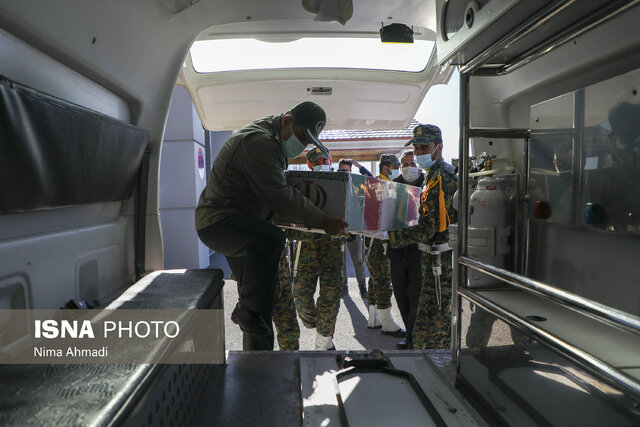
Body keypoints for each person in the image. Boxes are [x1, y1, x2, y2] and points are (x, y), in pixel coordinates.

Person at [195, 101, 348, 351]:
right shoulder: (259, 142)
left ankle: (256, 362)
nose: (301, 145)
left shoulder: (273, 140)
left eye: (307, 142)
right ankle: (248, 316)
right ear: (287, 121)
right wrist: (322, 219)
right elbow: (279, 196)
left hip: (238, 223)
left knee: (258, 306)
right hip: (221, 223)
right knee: (272, 240)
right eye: (300, 136)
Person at [388, 124, 456, 349]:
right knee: (424, 331)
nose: (418, 153)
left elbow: (430, 229)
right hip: (429, 262)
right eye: (416, 148)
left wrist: (392, 236)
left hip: (440, 267)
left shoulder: (442, 178)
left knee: (436, 330)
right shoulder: (431, 177)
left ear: (439, 147)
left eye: (424, 147)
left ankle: (442, 377)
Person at [290, 147, 345, 350]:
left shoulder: (342, 186)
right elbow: (290, 225)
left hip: (332, 254)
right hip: (307, 254)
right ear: (310, 165)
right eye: (317, 161)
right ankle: (320, 327)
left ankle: (323, 341)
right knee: (301, 298)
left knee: (329, 300)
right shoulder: (301, 187)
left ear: (330, 159)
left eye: (324, 159)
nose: (322, 162)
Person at [388, 150, 426, 349]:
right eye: (405, 163)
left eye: (412, 163)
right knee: (401, 295)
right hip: (396, 248)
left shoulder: (427, 184)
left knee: (415, 295)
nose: (409, 166)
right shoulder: (392, 186)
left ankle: (413, 339)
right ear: (400, 166)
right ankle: (410, 335)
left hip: (417, 250)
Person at [365, 154, 405, 337]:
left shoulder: (385, 184)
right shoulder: (378, 185)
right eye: (396, 165)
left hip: (377, 240)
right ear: (386, 167)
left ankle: (374, 317)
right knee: (382, 279)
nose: (398, 169)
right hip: (378, 241)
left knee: (375, 279)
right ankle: (387, 322)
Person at [336, 158, 369, 302]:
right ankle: (344, 286)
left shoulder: (357, 184)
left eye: (347, 171)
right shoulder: (334, 184)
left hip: (353, 229)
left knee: (358, 260)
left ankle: (362, 286)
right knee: (340, 261)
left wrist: (359, 166)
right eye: (341, 170)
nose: (343, 173)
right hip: (338, 229)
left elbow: (371, 180)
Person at [273, 245, 300, 350]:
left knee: (290, 331)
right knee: (258, 337)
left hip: (281, 276)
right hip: (257, 280)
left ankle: (288, 363)